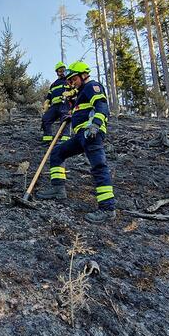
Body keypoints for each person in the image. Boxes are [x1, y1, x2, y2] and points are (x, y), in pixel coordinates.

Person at [36, 61, 116, 223]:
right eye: (70, 80)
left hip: (91, 134)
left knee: (99, 167)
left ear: (83, 75)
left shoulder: (91, 86)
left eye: (73, 79)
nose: (71, 82)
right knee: (58, 152)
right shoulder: (79, 94)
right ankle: (58, 189)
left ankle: (107, 208)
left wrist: (95, 125)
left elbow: (101, 106)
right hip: (80, 136)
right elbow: (80, 111)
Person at [41, 61, 71, 144]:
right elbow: (49, 96)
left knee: (65, 119)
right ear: (57, 72)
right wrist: (46, 103)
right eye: (60, 71)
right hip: (54, 106)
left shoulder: (69, 81)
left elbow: (75, 91)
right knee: (46, 118)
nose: (62, 73)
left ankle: (65, 139)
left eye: (63, 70)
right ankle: (47, 139)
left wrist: (70, 94)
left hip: (65, 104)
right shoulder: (53, 84)